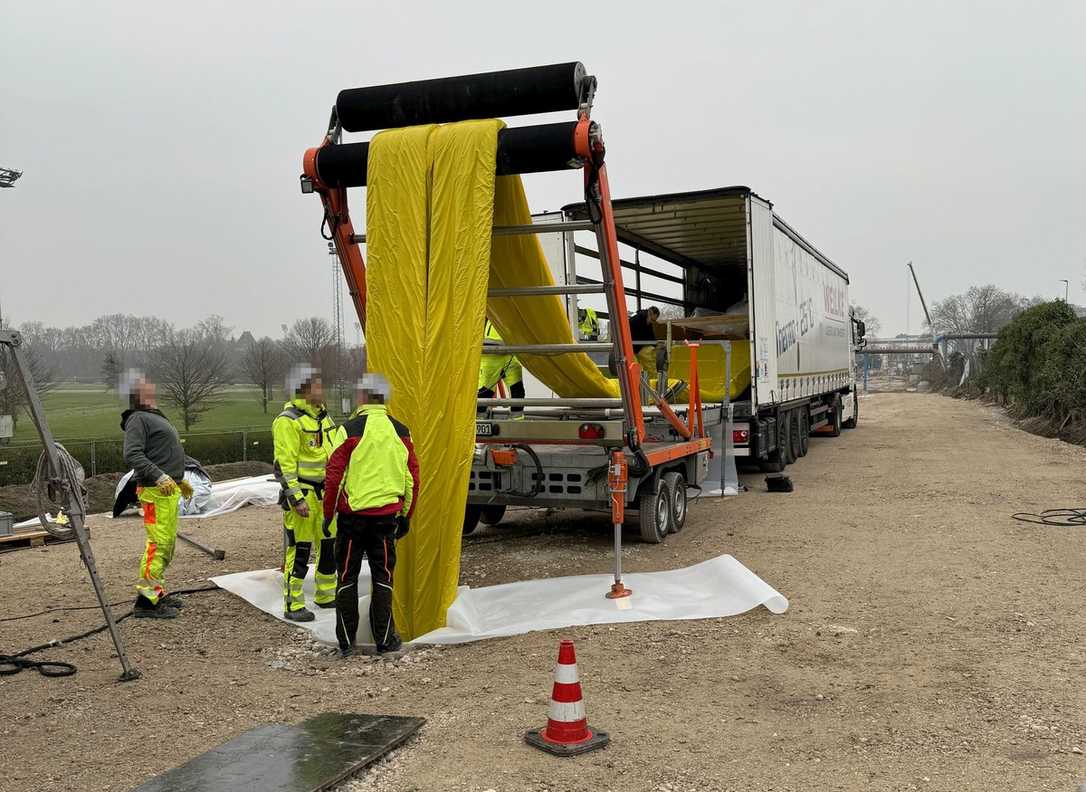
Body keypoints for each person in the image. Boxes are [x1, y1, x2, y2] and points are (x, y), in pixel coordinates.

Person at [323, 373, 419, 656]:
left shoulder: (348, 430)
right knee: (383, 577)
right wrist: (406, 515)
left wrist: (328, 514)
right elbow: (412, 479)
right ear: (384, 397)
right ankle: (385, 640)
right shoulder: (402, 431)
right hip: (386, 519)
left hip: (352, 519)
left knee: (347, 577)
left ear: (362, 397)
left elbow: (334, 477)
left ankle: (346, 642)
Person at [120, 369, 190, 619]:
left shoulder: (153, 416)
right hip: (154, 491)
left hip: (167, 490)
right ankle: (146, 602)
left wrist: (179, 479)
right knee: (158, 544)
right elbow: (132, 454)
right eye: (144, 383)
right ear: (136, 393)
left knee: (167, 544)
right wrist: (159, 475)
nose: (151, 384)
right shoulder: (138, 418)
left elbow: (163, 451)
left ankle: (156, 592)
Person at [273, 364, 337, 622]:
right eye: (318, 386)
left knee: (328, 547)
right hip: (304, 496)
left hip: (326, 496)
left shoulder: (324, 417)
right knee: (299, 550)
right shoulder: (288, 421)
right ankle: (293, 603)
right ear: (305, 389)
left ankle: (326, 595)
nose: (322, 390)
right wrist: (296, 498)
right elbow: (284, 465)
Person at [478, 318, 525, 417]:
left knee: (517, 390)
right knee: (485, 393)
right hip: (491, 354)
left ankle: (516, 420)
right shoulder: (491, 310)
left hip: (510, 353)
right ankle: (479, 421)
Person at [628, 306, 661, 376]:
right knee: (635, 367)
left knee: (650, 360)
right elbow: (629, 334)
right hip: (630, 347)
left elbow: (651, 335)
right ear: (649, 314)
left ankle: (653, 379)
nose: (652, 322)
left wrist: (656, 345)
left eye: (654, 321)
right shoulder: (635, 320)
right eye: (652, 320)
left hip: (638, 346)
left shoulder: (648, 323)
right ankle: (638, 380)